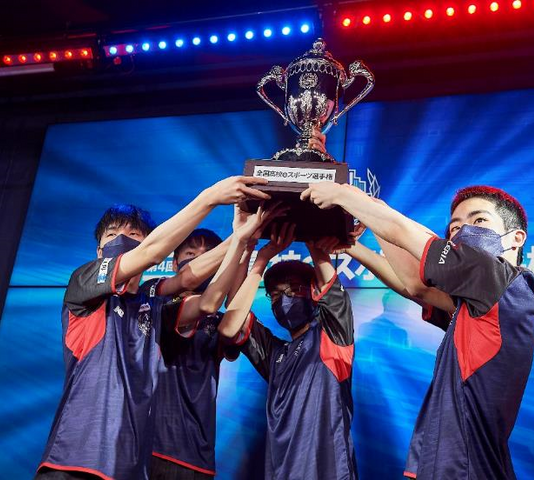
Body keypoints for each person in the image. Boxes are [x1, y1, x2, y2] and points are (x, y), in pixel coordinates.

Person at [301, 181, 534, 479]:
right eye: (455, 227)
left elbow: (403, 232)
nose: (463, 231)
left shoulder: (501, 279)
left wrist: (347, 197)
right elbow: (415, 286)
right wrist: (352, 245)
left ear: (516, 238)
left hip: (465, 469)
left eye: (479, 220)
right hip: (452, 463)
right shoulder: (479, 301)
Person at [36, 176, 271, 480]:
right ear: (99, 252)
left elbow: (206, 300)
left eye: (133, 233)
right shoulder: (84, 286)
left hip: (130, 467)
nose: (122, 239)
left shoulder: (155, 307)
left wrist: (241, 239)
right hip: (74, 462)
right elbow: (153, 254)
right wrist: (210, 197)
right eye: (112, 234)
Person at [151, 204, 286, 479]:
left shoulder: (218, 322)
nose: (200, 261)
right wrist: (240, 238)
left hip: (198, 455)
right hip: (152, 449)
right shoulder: (157, 303)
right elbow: (207, 303)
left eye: (208, 255)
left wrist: (251, 249)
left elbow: (232, 317)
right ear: (175, 264)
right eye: (190, 254)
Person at [218, 224, 358, 480]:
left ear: (313, 293)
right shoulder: (274, 355)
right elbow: (234, 316)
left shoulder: (331, 336)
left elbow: (329, 284)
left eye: (292, 289)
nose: (283, 298)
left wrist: (312, 233)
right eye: (275, 294)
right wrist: (257, 256)